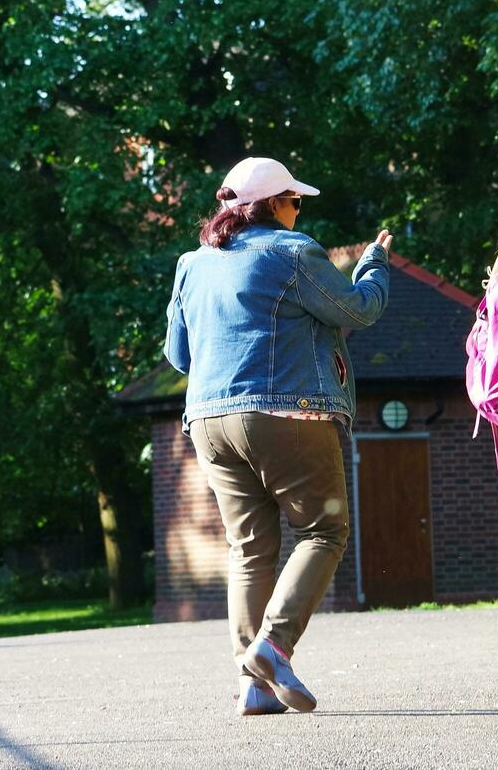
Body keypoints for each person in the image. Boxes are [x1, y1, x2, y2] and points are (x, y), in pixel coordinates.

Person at [163, 157, 391, 715]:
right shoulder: (293, 252)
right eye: (294, 200)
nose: (298, 210)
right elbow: (356, 309)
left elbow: (177, 354)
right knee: (323, 531)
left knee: (249, 552)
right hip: (287, 415)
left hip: (209, 423)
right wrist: (374, 264)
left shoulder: (192, 264)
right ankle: (274, 645)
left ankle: (254, 685)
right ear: (272, 205)